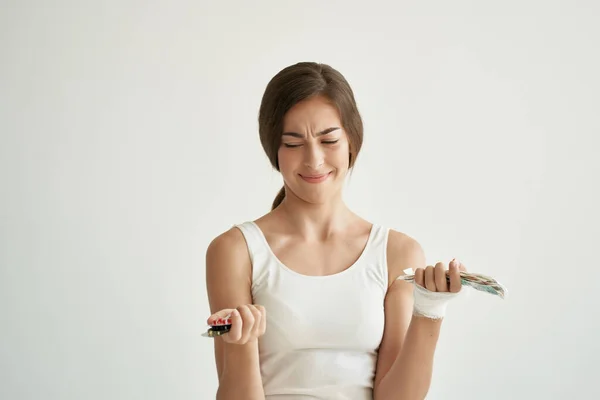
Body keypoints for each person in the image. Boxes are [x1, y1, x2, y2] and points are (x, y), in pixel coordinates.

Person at [205, 62, 466, 400]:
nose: (314, 160)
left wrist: (430, 310)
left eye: (328, 140)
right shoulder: (234, 251)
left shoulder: (396, 253)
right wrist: (241, 344)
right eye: (294, 143)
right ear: (275, 151)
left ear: (351, 142)